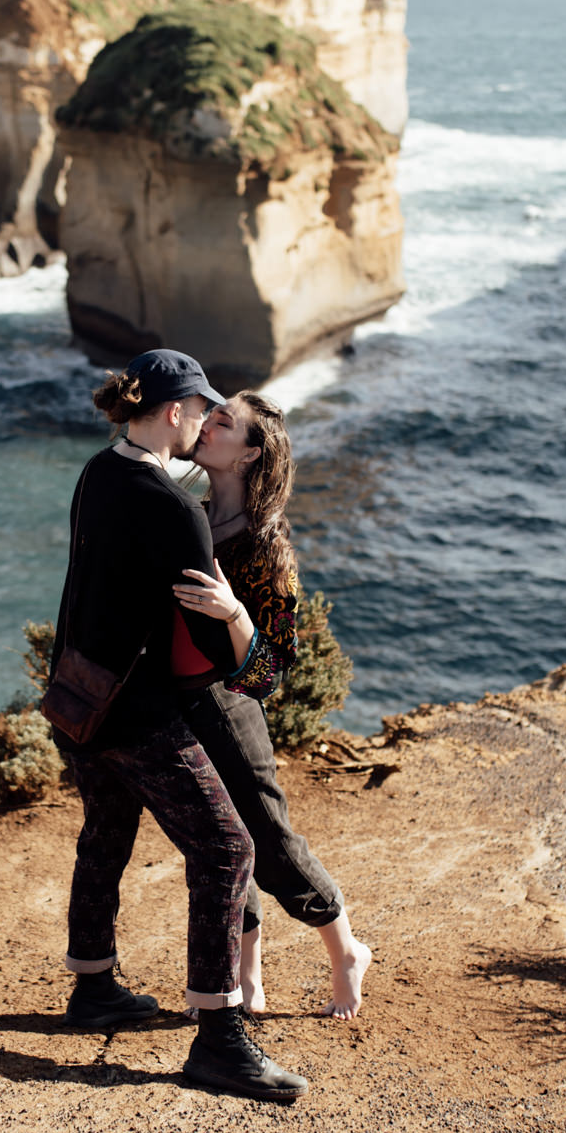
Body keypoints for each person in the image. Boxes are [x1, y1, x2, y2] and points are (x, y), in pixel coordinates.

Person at [52, 348, 308, 1102]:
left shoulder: (99, 471)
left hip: (78, 698)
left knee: (105, 832)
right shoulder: (171, 507)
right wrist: (238, 628)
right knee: (229, 848)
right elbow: (212, 651)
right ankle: (220, 1040)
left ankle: (93, 986)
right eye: (201, 409)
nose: (203, 422)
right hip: (139, 712)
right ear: (174, 412)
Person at [169, 391, 373, 1018]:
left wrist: (234, 613)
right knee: (216, 846)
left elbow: (270, 673)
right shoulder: (193, 517)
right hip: (178, 705)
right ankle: (248, 976)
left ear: (250, 452)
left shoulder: (266, 548)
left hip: (230, 709)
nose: (207, 424)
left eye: (223, 421)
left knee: (271, 842)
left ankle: (344, 950)